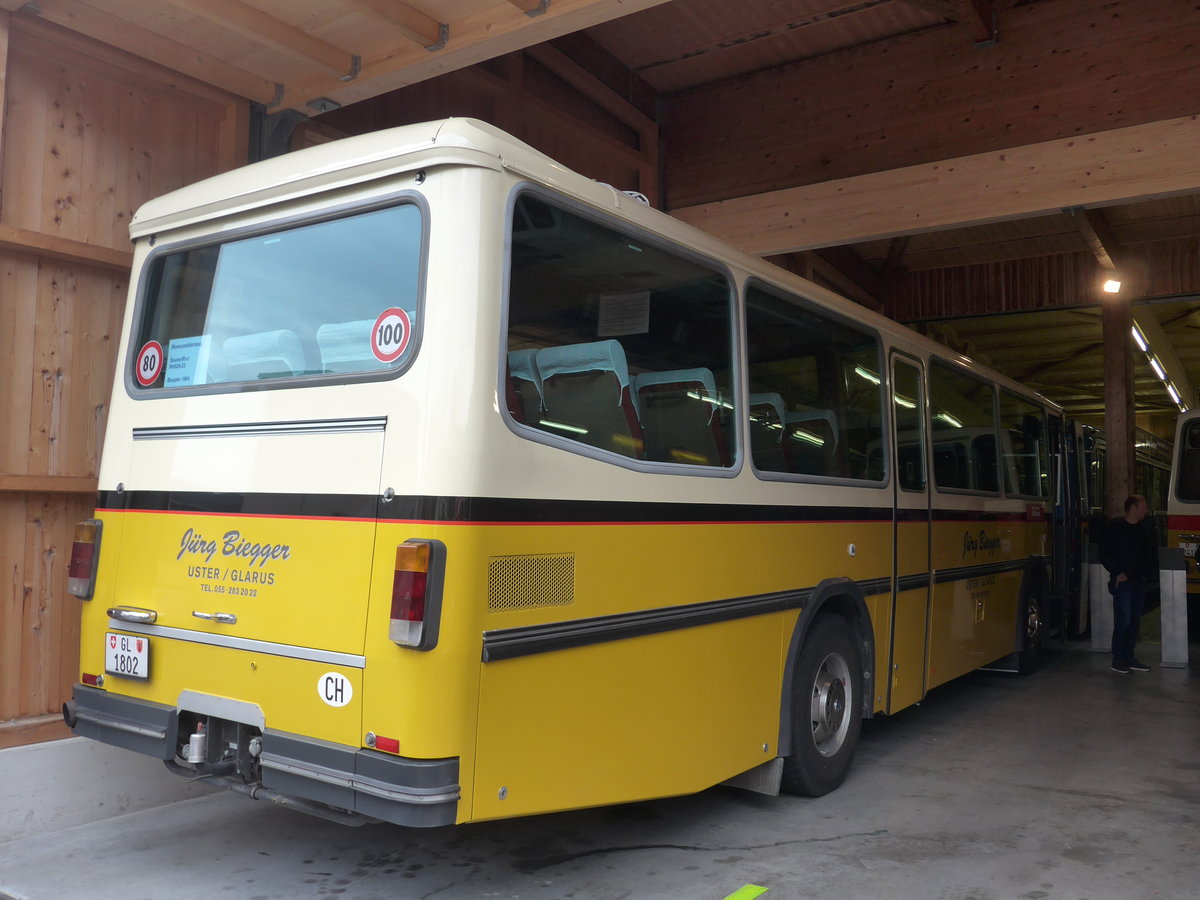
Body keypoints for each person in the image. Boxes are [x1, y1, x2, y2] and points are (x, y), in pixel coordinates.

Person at [1098, 494, 1156, 674]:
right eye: (1143, 505)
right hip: (1123, 582)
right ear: (1133, 508)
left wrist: (1148, 576)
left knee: (1134, 621)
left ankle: (1129, 657)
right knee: (1124, 620)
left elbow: (1148, 554)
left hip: (1139, 581)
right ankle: (1118, 658)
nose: (1146, 509)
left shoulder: (1143, 529)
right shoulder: (1116, 528)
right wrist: (1117, 572)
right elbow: (1104, 552)